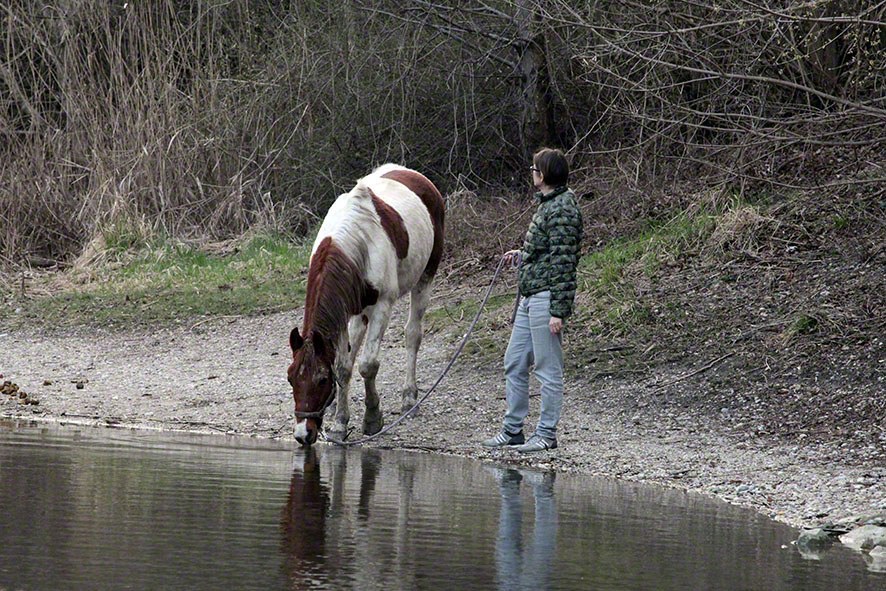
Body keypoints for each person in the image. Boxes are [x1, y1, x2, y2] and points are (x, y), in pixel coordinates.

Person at [481, 147, 583, 453]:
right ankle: (513, 431)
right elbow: (546, 253)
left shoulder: (563, 208)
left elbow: (565, 262)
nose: (532, 172)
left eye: (535, 168)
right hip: (530, 295)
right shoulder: (548, 204)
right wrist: (523, 256)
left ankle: (546, 434)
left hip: (546, 298)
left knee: (547, 369)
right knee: (514, 362)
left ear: (545, 174)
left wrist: (558, 311)